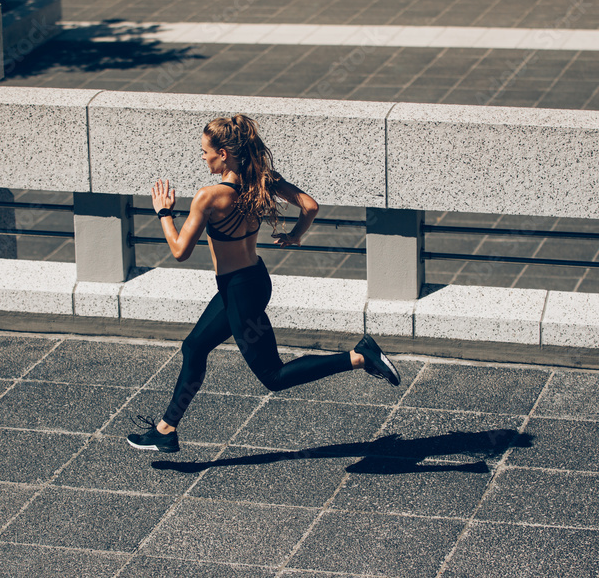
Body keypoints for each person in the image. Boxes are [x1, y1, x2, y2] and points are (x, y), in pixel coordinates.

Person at [127, 114, 400, 453]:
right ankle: (166, 429)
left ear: (224, 153)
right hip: (252, 280)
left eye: (205, 151)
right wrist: (296, 236)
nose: (202, 157)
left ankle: (359, 356)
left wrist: (164, 213)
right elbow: (310, 205)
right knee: (194, 347)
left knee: (273, 376)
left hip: (239, 292)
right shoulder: (262, 180)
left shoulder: (208, 196)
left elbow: (180, 250)